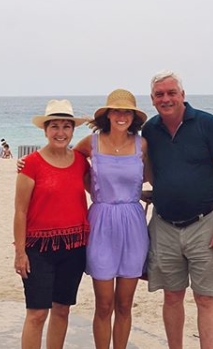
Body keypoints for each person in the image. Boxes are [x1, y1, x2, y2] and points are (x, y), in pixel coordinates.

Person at [141, 71, 213, 349]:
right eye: (160, 94)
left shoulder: (207, 124)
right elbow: (149, 172)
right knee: (171, 296)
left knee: (206, 297)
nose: (166, 98)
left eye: (172, 92)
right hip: (164, 225)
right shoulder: (150, 129)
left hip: (205, 223)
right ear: (152, 99)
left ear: (183, 95)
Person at [14, 99, 90, 349]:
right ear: (45, 130)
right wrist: (20, 252)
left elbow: (106, 185)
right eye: (54, 127)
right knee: (37, 314)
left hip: (74, 247)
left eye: (66, 127)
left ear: (73, 130)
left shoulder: (80, 161)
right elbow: (20, 210)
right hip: (39, 251)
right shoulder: (31, 164)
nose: (60, 133)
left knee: (62, 311)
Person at [79, 89, 151, 349]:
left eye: (127, 111)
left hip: (133, 223)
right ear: (108, 114)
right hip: (101, 221)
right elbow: (68, 161)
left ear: (133, 116)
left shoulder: (142, 144)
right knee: (104, 304)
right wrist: (29, 163)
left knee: (124, 304)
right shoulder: (92, 142)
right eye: (117, 110)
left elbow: (154, 177)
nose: (122, 116)